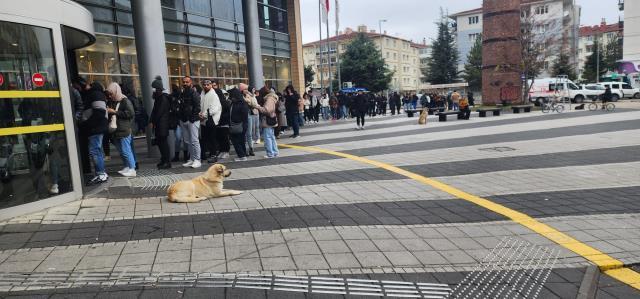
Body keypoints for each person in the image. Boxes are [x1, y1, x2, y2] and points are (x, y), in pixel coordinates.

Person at [80, 82, 109, 185]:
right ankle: (101, 174)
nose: (86, 86)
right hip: (96, 127)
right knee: (97, 151)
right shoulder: (96, 94)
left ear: (93, 86)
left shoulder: (96, 94)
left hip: (96, 128)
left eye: (89, 84)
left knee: (94, 151)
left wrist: (88, 124)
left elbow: (99, 113)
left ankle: (101, 174)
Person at [106, 82, 136, 177]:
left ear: (116, 91)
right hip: (116, 130)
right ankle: (127, 166)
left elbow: (130, 114)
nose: (110, 96)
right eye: (109, 94)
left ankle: (132, 169)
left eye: (112, 93)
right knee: (121, 151)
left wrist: (114, 112)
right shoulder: (111, 101)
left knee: (126, 150)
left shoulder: (125, 101)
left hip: (124, 130)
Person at [178, 76, 202, 168]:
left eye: (187, 82)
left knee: (194, 140)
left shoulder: (194, 93)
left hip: (192, 120)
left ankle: (197, 160)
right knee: (188, 141)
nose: (185, 83)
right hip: (184, 120)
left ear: (190, 82)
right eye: (183, 82)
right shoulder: (182, 93)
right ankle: (192, 159)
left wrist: (192, 118)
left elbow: (197, 107)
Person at [150, 76, 172, 169]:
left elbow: (158, 112)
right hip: (160, 125)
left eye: (154, 89)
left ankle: (167, 162)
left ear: (158, 89)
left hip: (162, 125)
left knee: (163, 144)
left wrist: (153, 121)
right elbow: (155, 111)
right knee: (161, 143)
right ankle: (164, 160)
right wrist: (152, 120)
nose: (153, 91)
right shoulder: (159, 98)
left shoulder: (163, 98)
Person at [199, 79, 221, 164]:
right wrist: (200, 114)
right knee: (204, 139)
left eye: (208, 85)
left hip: (211, 120)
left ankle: (213, 155)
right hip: (204, 120)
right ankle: (204, 155)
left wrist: (203, 115)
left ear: (211, 85)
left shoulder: (214, 95)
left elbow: (214, 109)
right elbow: (200, 105)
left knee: (212, 139)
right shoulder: (202, 93)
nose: (206, 86)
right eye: (204, 84)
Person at [256, 86, 280, 158]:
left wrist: (258, 107)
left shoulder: (269, 99)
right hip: (271, 119)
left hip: (267, 120)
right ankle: (275, 152)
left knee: (268, 137)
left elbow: (266, 110)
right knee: (271, 137)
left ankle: (270, 153)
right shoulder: (272, 98)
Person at [228, 88, 249, 161]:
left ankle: (242, 155)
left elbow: (244, 116)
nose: (231, 98)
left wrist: (243, 125)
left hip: (239, 125)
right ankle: (243, 155)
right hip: (236, 125)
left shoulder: (242, 104)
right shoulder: (234, 103)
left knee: (237, 141)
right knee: (240, 141)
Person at [240, 84, 258, 156]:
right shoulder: (239, 96)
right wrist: (247, 100)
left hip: (249, 115)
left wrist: (252, 96)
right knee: (243, 134)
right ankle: (244, 150)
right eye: (245, 89)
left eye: (247, 89)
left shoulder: (249, 95)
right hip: (241, 117)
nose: (247, 91)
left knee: (249, 134)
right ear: (242, 90)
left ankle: (251, 149)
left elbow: (254, 104)